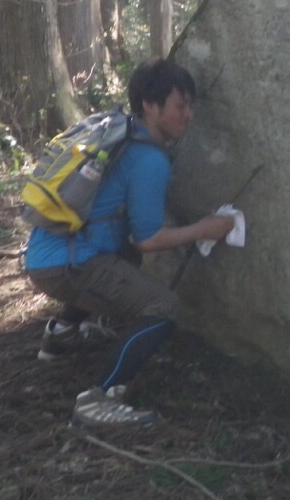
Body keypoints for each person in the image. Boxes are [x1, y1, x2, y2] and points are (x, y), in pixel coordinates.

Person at [24, 58, 236, 428]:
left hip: (45, 254)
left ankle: (60, 335)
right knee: (164, 307)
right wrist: (204, 228)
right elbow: (148, 239)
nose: (188, 115)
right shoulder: (149, 159)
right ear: (151, 106)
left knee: (124, 258)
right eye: (180, 106)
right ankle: (100, 398)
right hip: (68, 265)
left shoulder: (118, 133)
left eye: (191, 105)